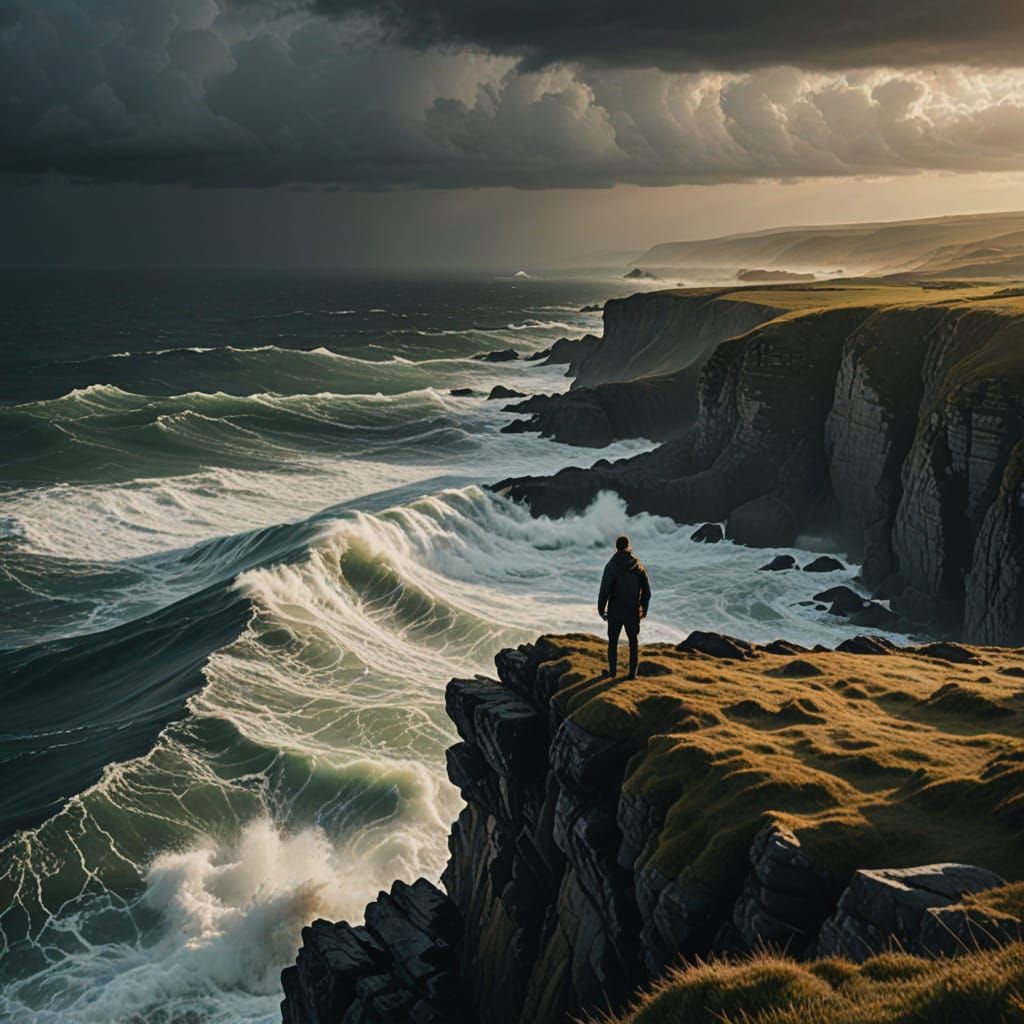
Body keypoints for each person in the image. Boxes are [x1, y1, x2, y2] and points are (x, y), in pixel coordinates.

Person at [597, 535, 652, 679]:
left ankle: (612, 673)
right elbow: (647, 591)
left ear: (616, 547)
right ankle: (632, 674)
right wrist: (643, 609)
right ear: (628, 546)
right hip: (632, 610)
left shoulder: (611, 566)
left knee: (613, 642)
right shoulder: (638, 566)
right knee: (633, 642)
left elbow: (604, 590)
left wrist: (601, 609)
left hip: (615, 610)